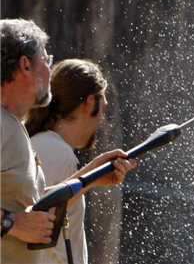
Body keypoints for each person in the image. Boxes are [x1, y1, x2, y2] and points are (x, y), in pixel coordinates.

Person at [1, 19, 135, 264]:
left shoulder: (12, 124)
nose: (49, 71)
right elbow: (20, 220)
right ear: (25, 65)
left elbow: (36, 207)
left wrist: (89, 177)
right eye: (45, 60)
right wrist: (11, 223)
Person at [25, 59, 111, 264]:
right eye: (103, 108)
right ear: (90, 102)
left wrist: (94, 175)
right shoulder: (56, 152)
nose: (101, 120)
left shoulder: (46, 144)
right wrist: (92, 172)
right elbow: (35, 217)